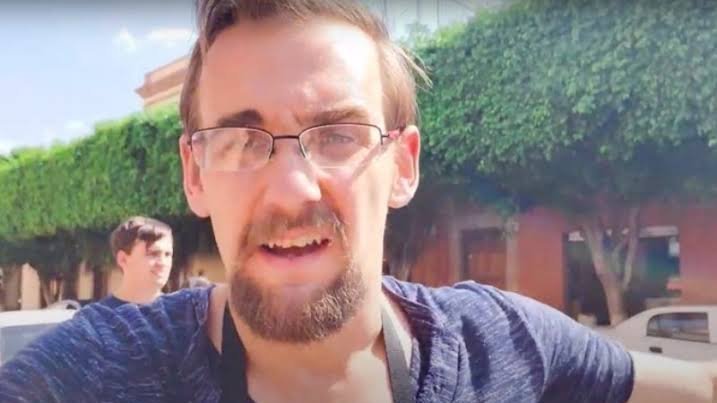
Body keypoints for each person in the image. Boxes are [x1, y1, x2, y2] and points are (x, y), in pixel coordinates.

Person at [0, 1, 715, 402]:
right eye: (241, 140)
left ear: (402, 165)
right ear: (194, 174)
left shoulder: (501, 345)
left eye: (338, 135)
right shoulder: (93, 374)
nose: (291, 188)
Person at [96, 216, 174, 308]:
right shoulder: (94, 316)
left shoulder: (183, 312)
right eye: (153, 254)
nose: (163, 263)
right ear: (123, 259)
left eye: (168, 254)